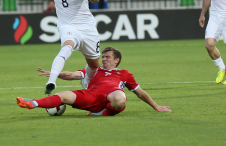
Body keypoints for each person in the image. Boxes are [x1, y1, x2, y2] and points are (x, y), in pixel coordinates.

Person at [18, 45, 170, 115]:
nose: (103, 59)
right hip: (91, 95)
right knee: (64, 94)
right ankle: (33, 103)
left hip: (112, 94)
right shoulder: (95, 69)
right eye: (103, 56)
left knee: (119, 98)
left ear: (116, 60)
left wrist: (156, 106)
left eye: (107, 57)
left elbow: (139, 92)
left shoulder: (124, 74)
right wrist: (54, 73)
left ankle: (102, 112)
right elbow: (73, 75)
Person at [39, 0, 101, 95]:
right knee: (67, 46)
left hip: (87, 27)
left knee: (94, 65)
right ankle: (51, 81)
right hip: (67, 25)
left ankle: (86, 81)